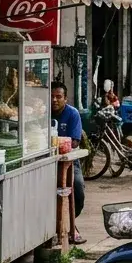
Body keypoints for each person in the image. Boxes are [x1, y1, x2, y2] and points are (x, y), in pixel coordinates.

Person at [50, 81, 86, 244]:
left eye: (58, 97)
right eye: (51, 96)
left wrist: (56, 143)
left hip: (69, 162)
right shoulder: (42, 112)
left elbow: (75, 141)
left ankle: (72, 223)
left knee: (77, 188)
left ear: (65, 99)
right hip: (46, 161)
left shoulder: (72, 114)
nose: (54, 100)